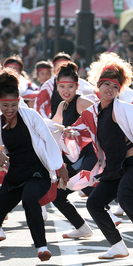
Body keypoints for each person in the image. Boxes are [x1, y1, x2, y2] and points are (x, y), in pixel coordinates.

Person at [64, 54, 133, 260]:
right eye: (105, 84)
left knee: (127, 197)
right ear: (98, 86)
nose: (109, 89)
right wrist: (71, 134)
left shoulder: (127, 110)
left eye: (114, 86)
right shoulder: (91, 112)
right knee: (94, 203)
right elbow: (78, 131)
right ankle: (118, 246)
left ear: (119, 90)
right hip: (113, 167)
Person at [0, 71, 68, 265]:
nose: (10, 109)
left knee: (30, 199)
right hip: (15, 176)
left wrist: (60, 166)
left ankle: (42, 247)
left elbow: (48, 140)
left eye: (14, 104)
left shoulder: (30, 116)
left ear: (19, 101)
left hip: (37, 173)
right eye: (5, 105)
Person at [50, 62, 98, 239]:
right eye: (61, 86)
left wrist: (78, 132)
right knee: (58, 195)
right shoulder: (63, 105)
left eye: (70, 86)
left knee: (92, 194)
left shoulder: (82, 102)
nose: (66, 90)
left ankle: (113, 226)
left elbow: (103, 122)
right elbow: (52, 126)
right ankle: (82, 228)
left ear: (77, 86)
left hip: (91, 156)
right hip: (74, 158)